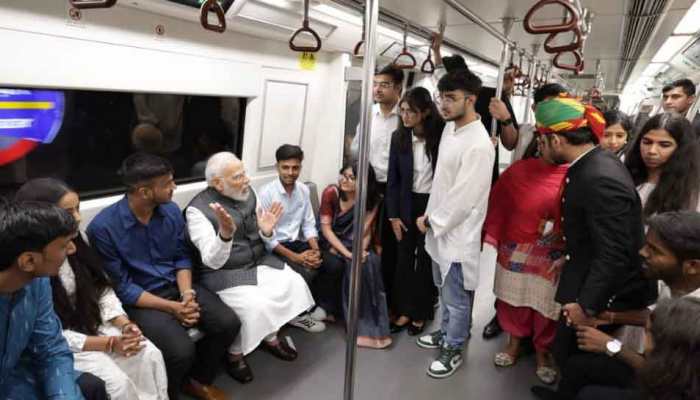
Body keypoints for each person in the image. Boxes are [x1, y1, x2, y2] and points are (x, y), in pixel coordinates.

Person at [87, 153, 240, 400]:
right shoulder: (103, 228)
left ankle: (198, 380)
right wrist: (173, 308)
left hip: (177, 286)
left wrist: (187, 295)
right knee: (181, 351)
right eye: (168, 183)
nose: (174, 187)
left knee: (228, 323)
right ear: (145, 192)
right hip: (142, 299)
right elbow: (123, 287)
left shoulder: (170, 212)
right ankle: (169, 393)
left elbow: (181, 257)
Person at [15, 178, 169, 400]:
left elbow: (100, 288)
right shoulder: (33, 268)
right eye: (68, 212)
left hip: (90, 322)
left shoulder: (76, 239)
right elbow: (45, 334)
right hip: (67, 339)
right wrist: (106, 344)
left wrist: (124, 325)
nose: (78, 218)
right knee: (116, 385)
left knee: (148, 354)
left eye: (77, 208)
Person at [533, 211, 700, 400]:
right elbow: (657, 316)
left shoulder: (695, 317)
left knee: (590, 395)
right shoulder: (675, 281)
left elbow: (668, 379)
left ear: (692, 266)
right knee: (577, 366)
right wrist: (607, 317)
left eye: (655, 250)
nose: (642, 252)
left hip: (669, 387)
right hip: (658, 367)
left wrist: (610, 345)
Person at [185, 151, 318, 384]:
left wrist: (266, 230)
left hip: (257, 261)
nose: (246, 180)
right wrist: (225, 236)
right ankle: (235, 355)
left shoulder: (249, 193)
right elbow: (210, 259)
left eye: (244, 173)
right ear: (218, 183)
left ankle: (271, 337)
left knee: (292, 282)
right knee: (254, 305)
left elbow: (262, 230)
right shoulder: (197, 211)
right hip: (224, 273)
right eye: (238, 177)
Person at [414, 68, 495, 379]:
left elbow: (464, 197)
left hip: (458, 232)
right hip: (438, 226)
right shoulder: (451, 130)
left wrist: (433, 221)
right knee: (443, 290)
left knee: (457, 297)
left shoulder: (478, 144)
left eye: (451, 98)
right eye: (441, 97)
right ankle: (446, 332)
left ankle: (454, 347)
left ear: (471, 100)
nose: (444, 104)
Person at [482, 82, 570, 340]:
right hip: (520, 216)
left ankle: (539, 340)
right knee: (511, 281)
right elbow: (510, 144)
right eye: (546, 106)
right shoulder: (528, 131)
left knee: (545, 287)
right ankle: (506, 324)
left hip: (550, 224)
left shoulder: (568, 139)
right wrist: (506, 119)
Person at [0, 200, 108, 400]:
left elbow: (50, 349)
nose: (72, 250)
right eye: (63, 246)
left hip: (16, 378)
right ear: (28, 261)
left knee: (90, 387)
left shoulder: (37, 283)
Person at [484, 133, 568, 385]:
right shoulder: (519, 171)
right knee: (513, 300)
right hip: (517, 245)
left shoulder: (575, 174)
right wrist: (492, 233)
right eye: (543, 142)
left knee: (547, 305)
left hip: (552, 251)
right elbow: (498, 201)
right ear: (539, 144)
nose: (548, 146)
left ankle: (543, 352)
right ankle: (514, 343)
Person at [259, 145, 342, 322]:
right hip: (277, 248)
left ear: (300, 168)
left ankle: (323, 307)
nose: (290, 172)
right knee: (306, 270)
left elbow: (309, 225)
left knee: (334, 264)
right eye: (285, 167)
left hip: (298, 242)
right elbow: (268, 240)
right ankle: (299, 315)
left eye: (295, 167)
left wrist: (315, 251)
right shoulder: (266, 193)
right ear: (277, 167)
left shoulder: (303, 191)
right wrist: (297, 258)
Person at [385, 87, 444, 336]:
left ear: (426, 112)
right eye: (404, 110)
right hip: (406, 204)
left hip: (432, 204)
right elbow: (393, 180)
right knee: (404, 259)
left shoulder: (441, 138)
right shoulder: (399, 138)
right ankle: (404, 311)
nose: (406, 116)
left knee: (426, 260)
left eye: (412, 111)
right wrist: (394, 216)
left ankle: (421, 311)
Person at [319, 162, 392, 349]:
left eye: (352, 178)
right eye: (343, 175)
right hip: (333, 242)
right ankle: (355, 323)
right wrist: (348, 254)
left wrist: (360, 251)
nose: (345, 181)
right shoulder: (331, 193)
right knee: (352, 264)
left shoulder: (371, 200)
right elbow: (326, 230)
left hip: (356, 243)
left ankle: (374, 328)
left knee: (370, 263)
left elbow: (366, 230)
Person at [350, 64, 403, 307]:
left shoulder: (405, 117)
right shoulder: (367, 114)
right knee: (364, 241)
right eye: (376, 84)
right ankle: (365, 296)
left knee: (390, 247)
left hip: (395, 189)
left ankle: (388, 299)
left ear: (398, 88)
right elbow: (356, 150)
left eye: (385, 85)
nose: (378, 89)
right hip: (369, 187)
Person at [625, 113, 700, 217]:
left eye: (664, 145)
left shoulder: (689, 194)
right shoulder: (624, 175)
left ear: (681, 149)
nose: (652, 151)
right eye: (647, 142)